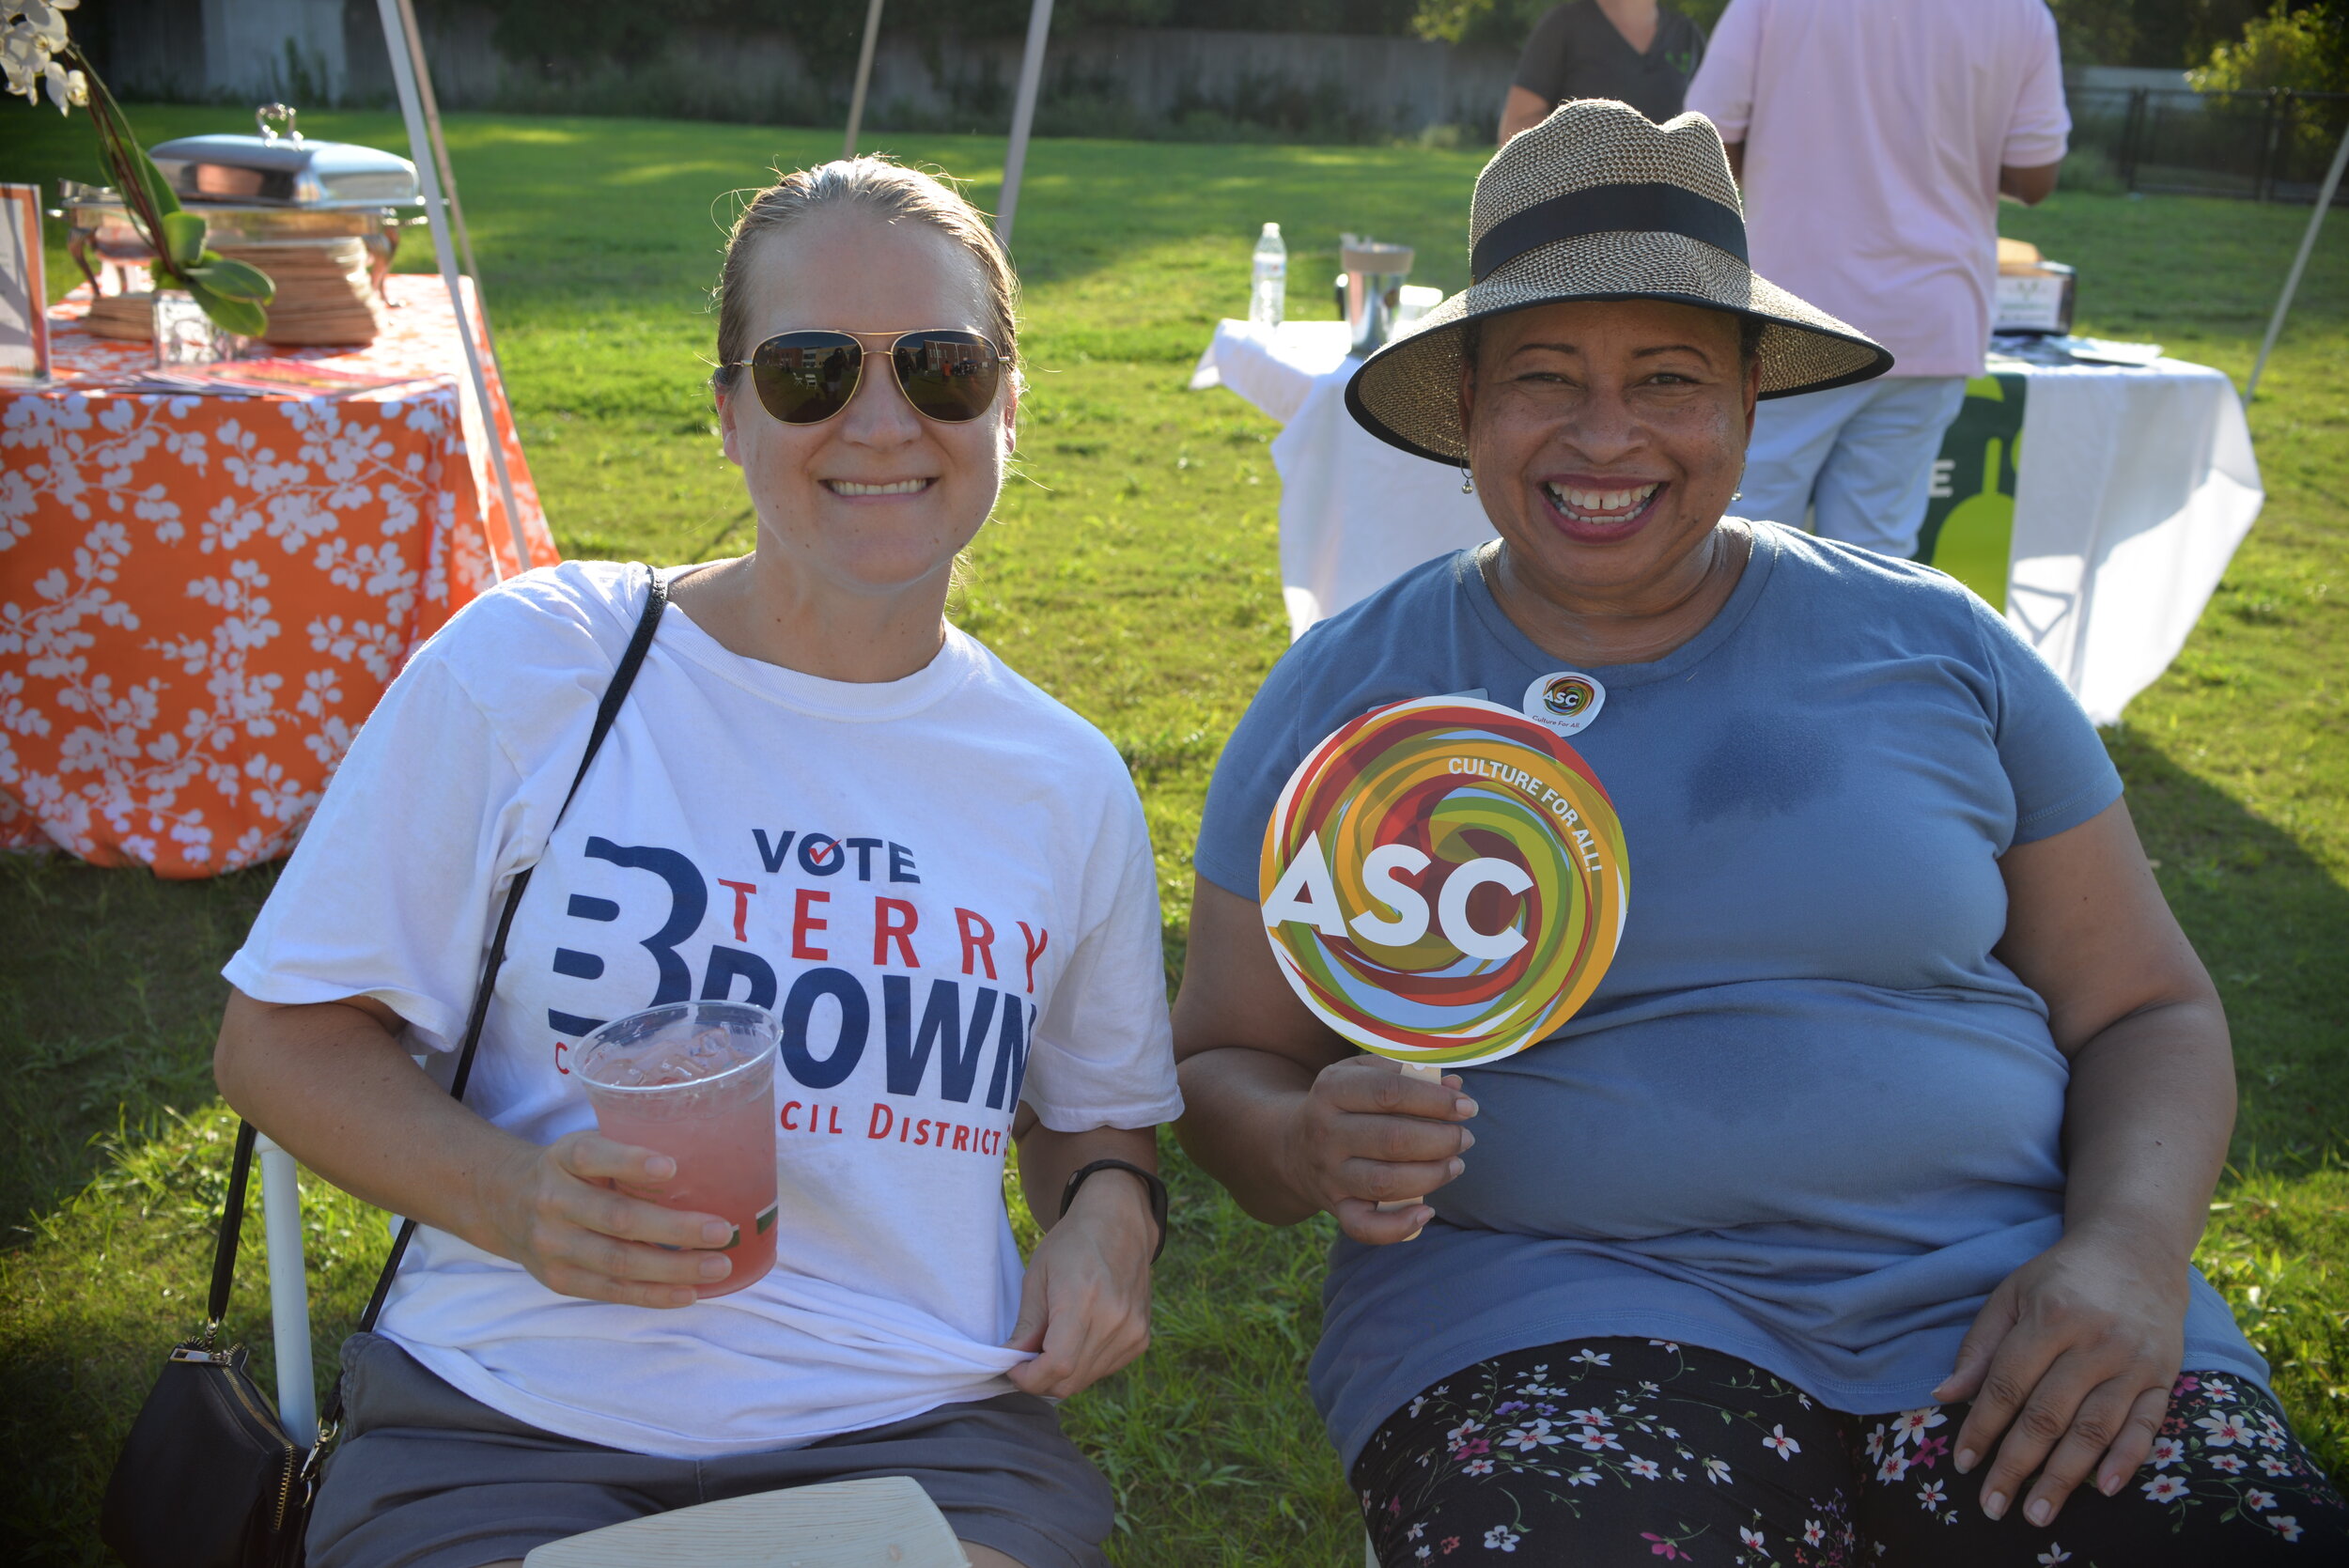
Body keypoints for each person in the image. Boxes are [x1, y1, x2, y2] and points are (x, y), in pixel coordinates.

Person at [1173, 101, 2347, 1564]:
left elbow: (2148, 1006)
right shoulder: (1349, 699)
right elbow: (1225, 1052)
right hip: (1553, 1311)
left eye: (1668, 378)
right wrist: (1300, 1142)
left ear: (1747, 402)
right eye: (1545, 378)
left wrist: (2124, 1252)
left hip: (2007, 1292)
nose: (1607, 435)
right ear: (1467, 403)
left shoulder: (1938, 646)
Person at [213, 157, 1183, 1568]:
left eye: (942, 367)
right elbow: (279, 1042)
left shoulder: (1064, 779)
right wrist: (520, 1203)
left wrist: (1109, 1221)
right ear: (728, 411)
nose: (880, 418)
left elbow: (1099, 1118)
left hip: (912, 1425)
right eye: (807, 371)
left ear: (1009, 403)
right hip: (510, 1417)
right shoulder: (542, 663)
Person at [1682, 0, 2069, 559]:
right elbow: (2036, 173)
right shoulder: (2022, 12)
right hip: (1929, 315)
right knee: (1875, 559)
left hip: (1790, 314)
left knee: (1740, 547)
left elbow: (1707, 135)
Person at [1499, 0, 1707, 143]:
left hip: (1670, 203)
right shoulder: (1564, 26)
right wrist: (1601, 138)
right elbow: (1513, 129)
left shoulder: (1688, 35)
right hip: (1582, 200)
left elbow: (1716, 133)